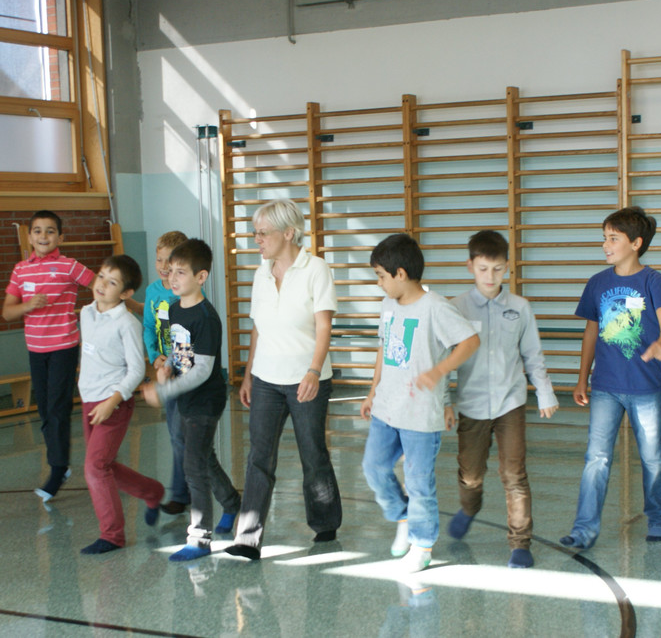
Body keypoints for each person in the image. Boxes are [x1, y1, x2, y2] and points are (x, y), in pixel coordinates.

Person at [560, 206, 661, 550]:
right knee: (596, 458)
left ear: (636, 243)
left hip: (645, 387)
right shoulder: (598, 283)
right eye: (604, 238)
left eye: (613, 238)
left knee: (652, 456)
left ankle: (657, 519)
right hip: (605, 387)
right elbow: (591, 332)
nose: (605, 245)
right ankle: (584, 529)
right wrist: (582, 378)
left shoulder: (655, 282)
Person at [226, 198, 342, 561]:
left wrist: (313, 371)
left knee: (313, 453)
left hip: (307, 378)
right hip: (265, 379)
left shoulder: (315, 269)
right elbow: (257, 328)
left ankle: (325, 523)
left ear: (289, 233)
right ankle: (247, 538)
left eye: (263, 233)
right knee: (259, 456)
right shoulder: (260, 273)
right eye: (255, 232)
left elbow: (324, 327)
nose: (256, 239)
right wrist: (248, 375)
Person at [360, 233, 480, 572]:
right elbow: (384, 349)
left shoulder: (436, 307)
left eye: (381, 276)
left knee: (418, 482)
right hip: (386, 408)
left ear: (400, 274)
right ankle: (402, 517)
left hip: (420, 416)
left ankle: (423, 544)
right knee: (374, 468)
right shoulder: (387, 305)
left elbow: (470, 341)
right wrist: (372, 391)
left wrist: (439, 371)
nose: (379, 283)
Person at [447, 230, 559, 569]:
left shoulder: (520, 308)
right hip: (472, 405)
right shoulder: (455, 308)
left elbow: (532, 354)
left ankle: (520, 542)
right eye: (483, 269)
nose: (490, 276)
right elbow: (443, 359)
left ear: (507, 268)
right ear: (470, 266)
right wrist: (444, 401)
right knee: (471, 475)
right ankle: (470, 507)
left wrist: (545, 391)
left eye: (497, 269)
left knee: (514, 474)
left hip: (511, 403)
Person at [142, 239, 241, 562]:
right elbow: (181, 353)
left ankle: (199, 538)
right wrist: (168, 367)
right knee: (202, 456)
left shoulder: (207, 318)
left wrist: (163, 392)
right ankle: (231, 502)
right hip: (186, 396)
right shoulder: (174, 309)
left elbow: (202, 370)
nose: (172, 277)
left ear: (201, 277)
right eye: (170, 271)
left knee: (193, 465)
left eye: (180, 272)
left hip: (205, 400)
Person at [76, 255, 166, 554]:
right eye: (101, 276)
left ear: (126, 293)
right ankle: (152, 491)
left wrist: (111, 402)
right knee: (104, 465)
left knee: (94, 467)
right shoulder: (86, 313)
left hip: (113, 404)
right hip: (89, 400)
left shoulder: (127, 323)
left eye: (112, 282)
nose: (102, 284)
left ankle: (112, 535)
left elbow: (137, 371)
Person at [3, 210, 94, 502]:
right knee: (44, 410)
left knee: (57, 409)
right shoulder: (21, 270)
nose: (44, 236)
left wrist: (124, 307)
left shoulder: (69, 266)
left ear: (60, 237)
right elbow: (7, 312)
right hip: (36, 350)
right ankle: (59, 463)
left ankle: (58, 468)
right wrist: (28, 305)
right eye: (38, 231)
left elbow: (101, 286)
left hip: (63, 348)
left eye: (50, 231)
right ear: (30, 237)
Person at [143, 230, 191, 515]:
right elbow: (149, 327)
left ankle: (186, 491)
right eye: (159, 259)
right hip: (165, 370)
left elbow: (187, 337)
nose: (163, 267)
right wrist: (155, 357)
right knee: (176, 434)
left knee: (183, 434)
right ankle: (182, 493)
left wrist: (173, 364)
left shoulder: (185, 291)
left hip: (185, 370)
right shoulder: (152, 291)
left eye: (169, 262)